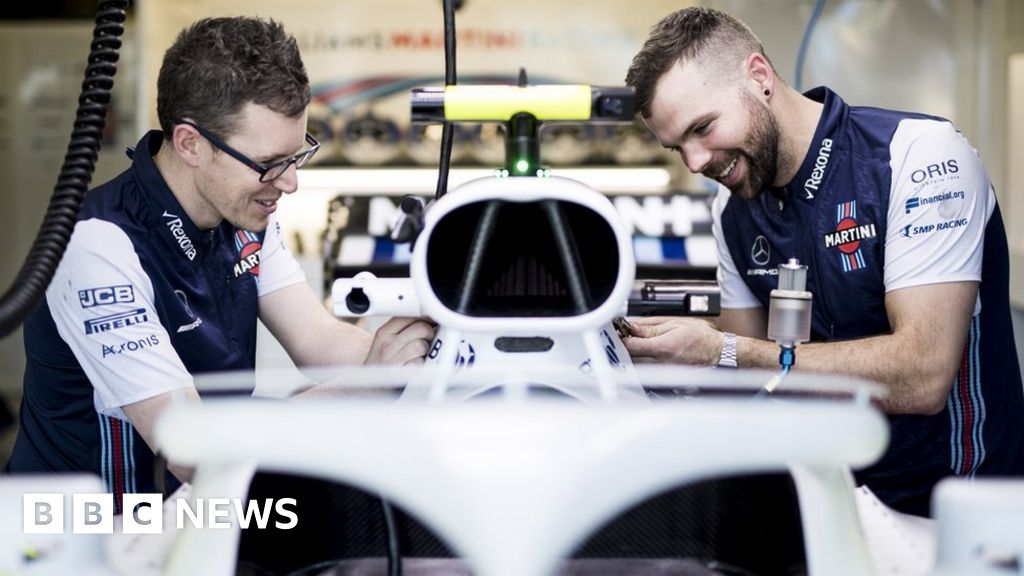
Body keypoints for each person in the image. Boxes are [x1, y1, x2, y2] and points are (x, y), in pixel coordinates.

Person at [5, 17, 434, 505]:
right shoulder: (96, 246)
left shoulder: (243, 217)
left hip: (186, 515)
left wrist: (426, 355)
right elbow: (188, 445)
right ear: (191, 144)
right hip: (83, 534)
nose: (290, 182)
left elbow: (319, 340)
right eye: (270, 164)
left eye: (298, 155)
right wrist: (363, 392)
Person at [623, 7, 1023, 517]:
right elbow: (747, 375)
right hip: (829, 504)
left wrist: (721, 350)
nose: (695, 162)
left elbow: (923, 376)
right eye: (677, 146)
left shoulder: (918, 157)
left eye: (703, 128)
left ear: (760, 78)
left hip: (959, 511)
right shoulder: (732, 211)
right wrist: (671, 356)